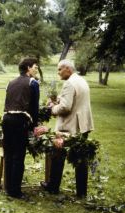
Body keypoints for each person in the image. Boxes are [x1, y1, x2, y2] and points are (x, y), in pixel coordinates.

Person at [41, 59, 94, 198]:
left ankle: (53, 186)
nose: (58, 72)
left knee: (58, 155)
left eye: (59, 69)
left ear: (68, 69)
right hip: (83, 125)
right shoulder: (81, 80)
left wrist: (52, 108)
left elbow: (66, 107)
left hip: (69, 126)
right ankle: (81, 192)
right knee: (80, 158)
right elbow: (73, 99)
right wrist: (58, 99)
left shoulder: (69, 83)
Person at [2, 58, 40, 199]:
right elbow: (34, 108)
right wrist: (34, 126)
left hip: (6, 119)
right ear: (28, 68)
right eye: (35, 67)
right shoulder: (33, 83)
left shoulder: (10, 82)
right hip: (20, 121)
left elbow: (7, 103)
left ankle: (8, 187)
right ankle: (15, 191)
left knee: (9, 154)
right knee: (18, 156)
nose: (36, 70)